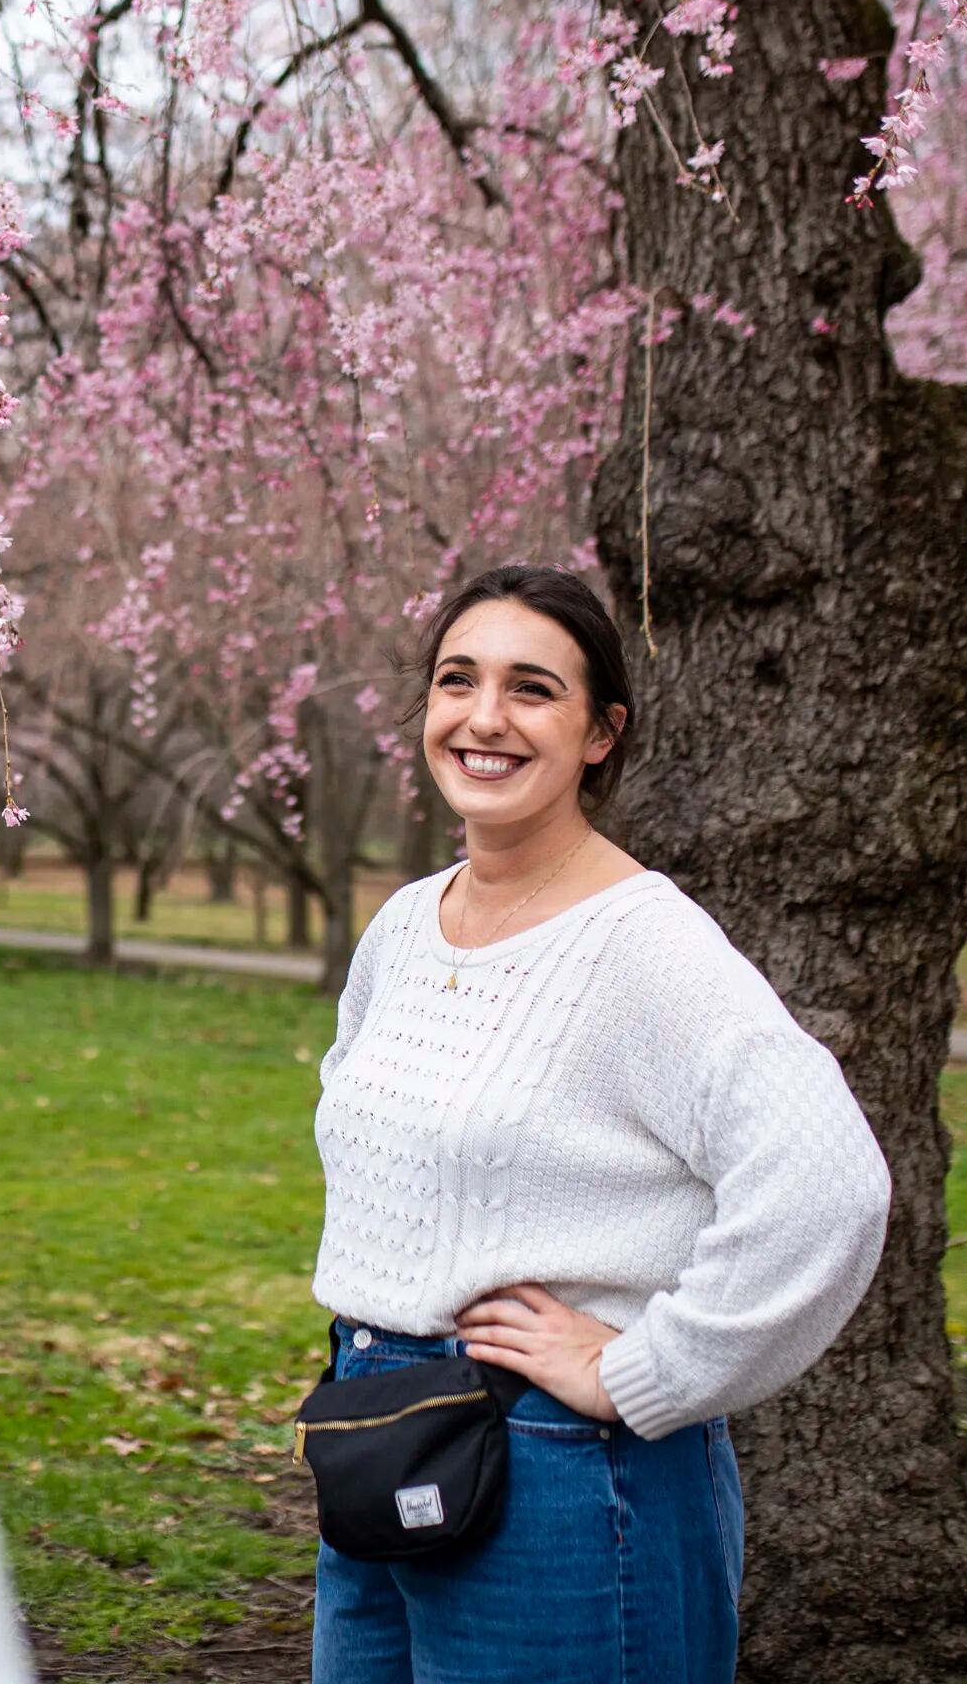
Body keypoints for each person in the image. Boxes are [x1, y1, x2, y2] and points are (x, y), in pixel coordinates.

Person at [308, 564, 891, 1684]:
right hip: (377, 1438)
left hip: (558, 1471)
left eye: (532, 689)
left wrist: (651, 1368)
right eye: (456, 680)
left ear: (600, 733)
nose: (484, 718)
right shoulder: (402, 925)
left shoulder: (646, 948)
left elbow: (829, 1183)